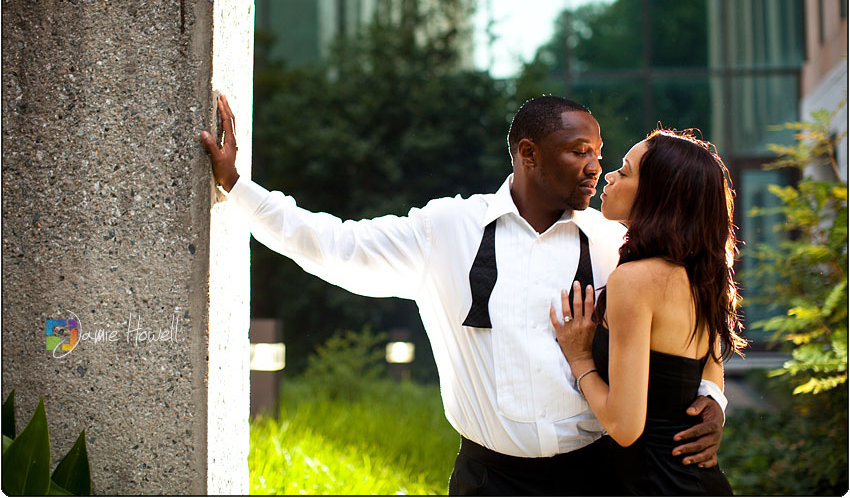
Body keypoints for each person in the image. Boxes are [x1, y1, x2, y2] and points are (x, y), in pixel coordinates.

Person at [201, 94, 727, 496]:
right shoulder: (448, 228)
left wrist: (711, 395)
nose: (595, 166)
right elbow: (337, 244)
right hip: (488, 478)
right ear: (528, 154)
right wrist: (239, 188)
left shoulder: (618, 241)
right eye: (578, 151)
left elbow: (692, 304)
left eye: (601, 154)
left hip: (600, 474)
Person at [550, 129, 746, 495]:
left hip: (657, 481)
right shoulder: (701, 275)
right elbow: (707, 374)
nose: (608, 176)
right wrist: (714, 402)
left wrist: (579, 359)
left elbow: (625, 427)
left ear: (657, 194)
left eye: (624, 172)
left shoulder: (635, 281)